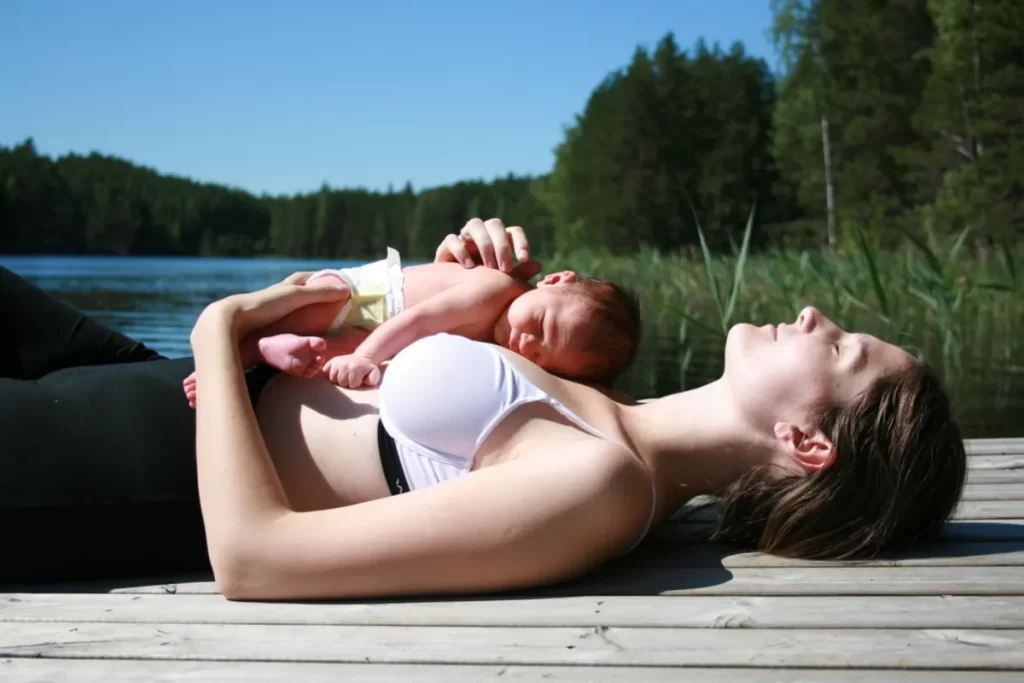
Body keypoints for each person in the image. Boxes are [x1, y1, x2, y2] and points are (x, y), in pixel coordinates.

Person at [0, 218, 966, 599]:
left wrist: (220, 324)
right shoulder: (613, 410)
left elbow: (257, 559)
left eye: (838, 346)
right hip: (144, 374)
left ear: (806, 443)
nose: (812, 313)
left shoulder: (598, 485)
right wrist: (456, 273)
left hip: (101, 470)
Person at [182, 243, 641, 408]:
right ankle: (233, 357)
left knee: (331, 353)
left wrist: (360, 353)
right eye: (539, 323)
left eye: (540, 355)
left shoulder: (502, 332)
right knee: (323, 307)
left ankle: (269, 352)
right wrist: (366, 356)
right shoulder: (496, 287)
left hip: (374, 331)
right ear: (554, 280)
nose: (525, 342)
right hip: (364, 294)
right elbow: (419, 321)